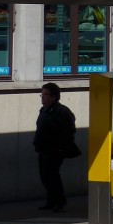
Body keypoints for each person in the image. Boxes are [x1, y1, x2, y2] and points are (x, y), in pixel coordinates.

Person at [33, 82, 77, 212]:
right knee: (45, 176)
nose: (43, 97)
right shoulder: (44, 110)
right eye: (42, 94)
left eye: (46, 95)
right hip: (43, 148)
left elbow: (69, 130)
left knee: (52, 175)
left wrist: (60, 146)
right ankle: (51, 200)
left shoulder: (62, 111)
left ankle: (59, 201)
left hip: (55, 149)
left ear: (54, 97)